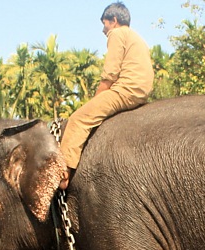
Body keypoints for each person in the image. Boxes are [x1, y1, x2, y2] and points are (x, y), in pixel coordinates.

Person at [58, 2, 154, 188]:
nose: (103, 30)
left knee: (78, 119)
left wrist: (96, 100)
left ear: (114, 21)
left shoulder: (117, 34)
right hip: (141, 92)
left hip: (126, 89)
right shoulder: (138, 38)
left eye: (104, 24)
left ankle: (62, 174)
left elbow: (110, 72)